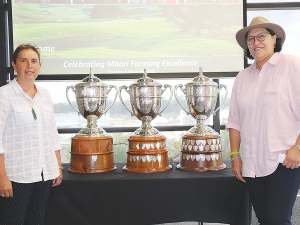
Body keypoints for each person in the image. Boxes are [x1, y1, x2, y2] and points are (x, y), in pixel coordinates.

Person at [226, 16, 300, 225]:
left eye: (261, 36)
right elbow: (235, 121)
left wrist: (298, 148)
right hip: (251, 164)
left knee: (277, 221)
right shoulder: (242, 77)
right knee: (265, 220)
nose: (256, 42)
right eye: (251, 39)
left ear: (274, 39)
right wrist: (235, 156)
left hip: (284, 161)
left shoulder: (291, 65)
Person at [0, 44, 63, 225]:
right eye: (23, 61)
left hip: (44, 174)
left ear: (39, 66)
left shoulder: (45, 95)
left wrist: (57, 166)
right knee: (14, 221)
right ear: (14, 65)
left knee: (37, 220)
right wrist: (2, 177)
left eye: (34, 61)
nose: (29, 65)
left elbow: (52, 132)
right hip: (16, 175)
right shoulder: (4, 95)